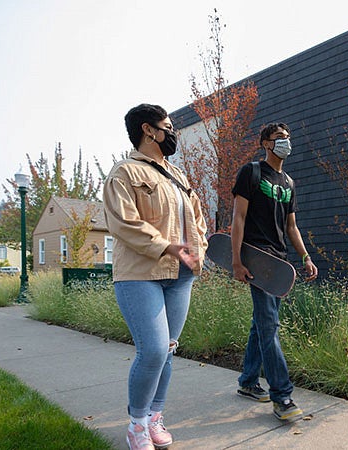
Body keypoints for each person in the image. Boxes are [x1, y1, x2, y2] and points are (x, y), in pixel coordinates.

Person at [103, 103, 208, 450]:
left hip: (180, 276)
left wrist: (198, 252)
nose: (172, 132)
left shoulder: (178, 176)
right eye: (168, 126)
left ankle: (154, 417)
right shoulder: (125, 172)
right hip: (140, 274)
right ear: (148, 130)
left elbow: (198, 220)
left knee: (168, 351)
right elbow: (124, 224)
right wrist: (166, 247)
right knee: (153, 350)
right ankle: (136, 424)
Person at [230, 122, 318, 421]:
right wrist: (236, 260)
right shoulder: (251, 172)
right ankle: (282, 396)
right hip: (257, 257)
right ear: (266, 143)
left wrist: (305, 257)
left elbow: (291, 226)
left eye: (288, 137)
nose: (286, 142)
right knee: (270, 327)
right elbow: (238, 218)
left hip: (279, 261)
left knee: (262, 323)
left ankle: (247, 381)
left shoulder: (289, 183)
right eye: (280, 138)